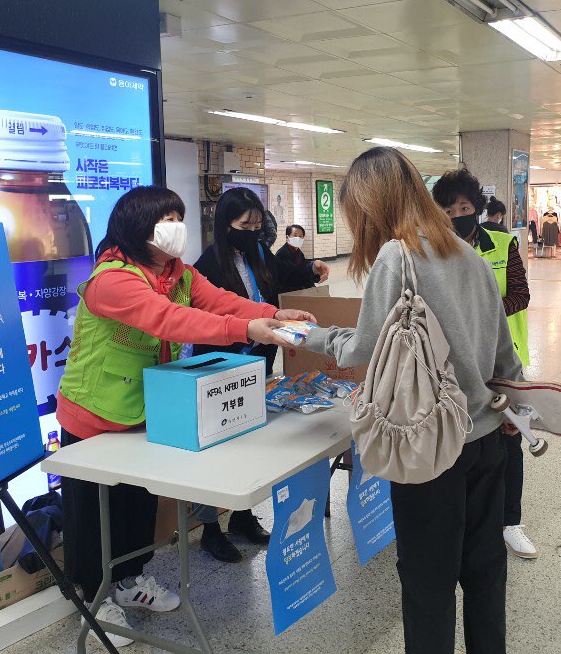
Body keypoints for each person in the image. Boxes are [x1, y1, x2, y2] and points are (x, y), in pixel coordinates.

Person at [55, 186, 311, 646]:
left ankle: (129, 581)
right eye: (166, 219)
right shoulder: (112, 279)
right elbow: (169, 320)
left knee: (135, 505)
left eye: (179, 217)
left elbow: (221, 301)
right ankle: (92, 601)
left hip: (141, 412)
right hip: (93, 415)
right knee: (95, 514)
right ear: (137, 227)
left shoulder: (177, 272)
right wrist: (244, 329)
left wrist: (272, 313)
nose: (177, 227)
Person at [305, 147, 523, 654]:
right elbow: (504, 351)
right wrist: (515, 405)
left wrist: (308, 337)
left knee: (428, 584)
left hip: (430, 446)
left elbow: (363, 347)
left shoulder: (396, 255)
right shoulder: (467, 252)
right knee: (486, 572)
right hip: (487, 440)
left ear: (372, 203)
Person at [192, 188, 329, 563]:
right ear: (226, 225)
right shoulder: (207, 265)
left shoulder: (258, 252)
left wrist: (309, 270)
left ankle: (242, 516)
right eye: (245, 225)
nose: (253, 231)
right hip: (220, 366)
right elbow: (213, 313)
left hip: (258, 363)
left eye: (257, 224)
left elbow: (281, 277)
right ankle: (209, 529)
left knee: (249, 441)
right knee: (216, 448)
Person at [431, 168, 535, 560]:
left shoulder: (502, 243)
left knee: (509, 439)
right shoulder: (433, 252)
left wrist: (482, 314)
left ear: (476, 208)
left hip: (501, 360)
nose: (456, 216)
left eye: (463, 207)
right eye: (447, 210)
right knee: (464, 442)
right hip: (454, 366)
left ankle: (511, 523)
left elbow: (521, 294)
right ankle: (467, 520)